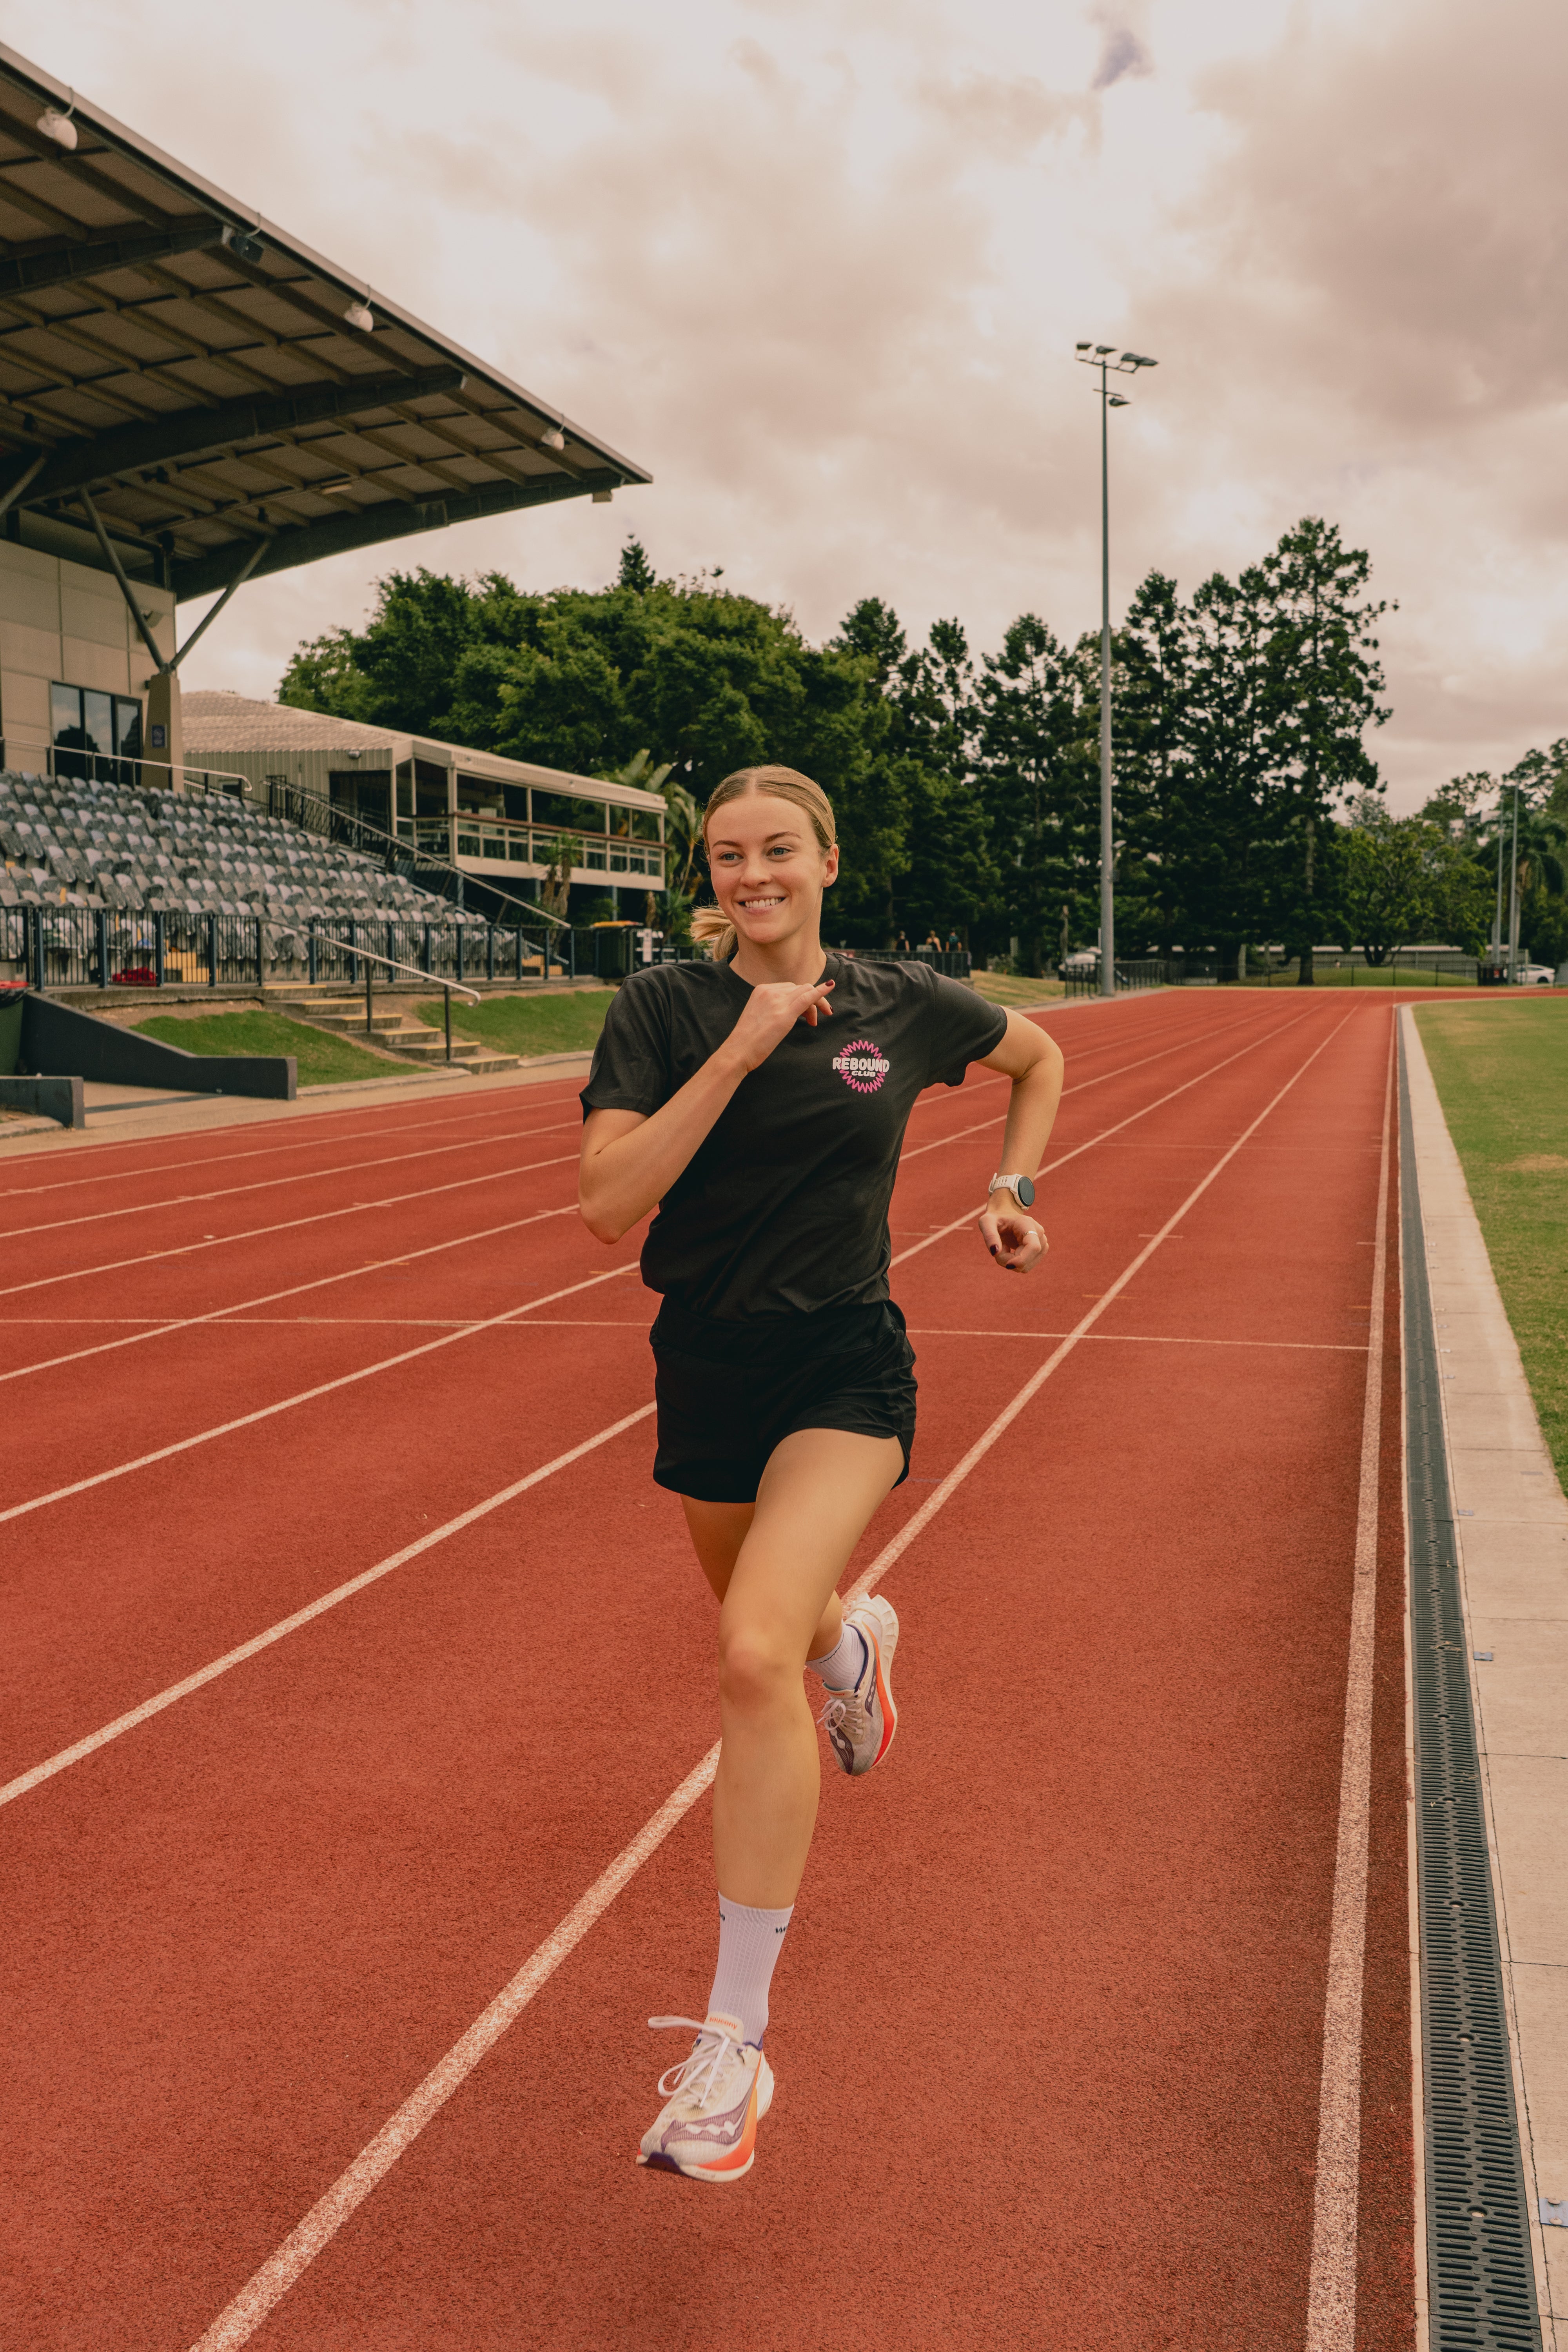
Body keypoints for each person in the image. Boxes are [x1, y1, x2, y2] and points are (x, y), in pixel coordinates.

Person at [578, 764, 1064, 2183]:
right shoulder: (663, 1010)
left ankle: (735, 2049)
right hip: (709, 1374)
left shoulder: (904, 1002)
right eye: (727, 857)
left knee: (746, 1660)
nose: (752, 876)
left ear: (828, 861)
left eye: (778, 850)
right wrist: (741, 1045)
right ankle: (857, 1638)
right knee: (788, 1637)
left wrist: (1011, 1194)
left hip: (848, 1369)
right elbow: (608, 1209)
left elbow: (1037, 1059)